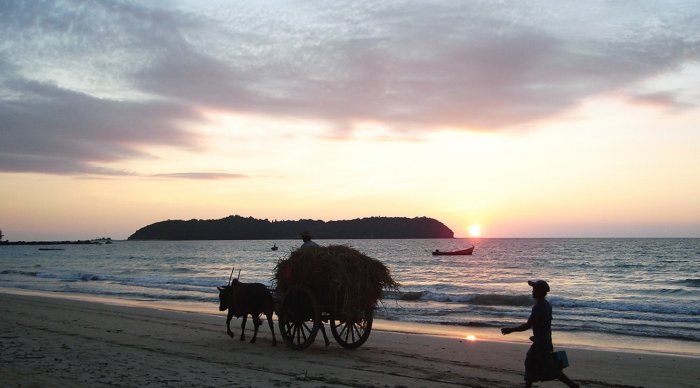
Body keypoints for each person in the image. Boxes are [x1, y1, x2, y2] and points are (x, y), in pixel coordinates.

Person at [501, 280, 579, 388]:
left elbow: (528, 325)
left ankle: (573, 385)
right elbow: (544, 324)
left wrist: (511, 330)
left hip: (541, 342)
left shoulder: (538, 307)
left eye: (535, 290)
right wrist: (537, 337)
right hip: (543, 339)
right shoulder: (547, 304)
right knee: (530, 362)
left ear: (540, 292)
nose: (532, 292)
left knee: (551, 368)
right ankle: (528, 385)